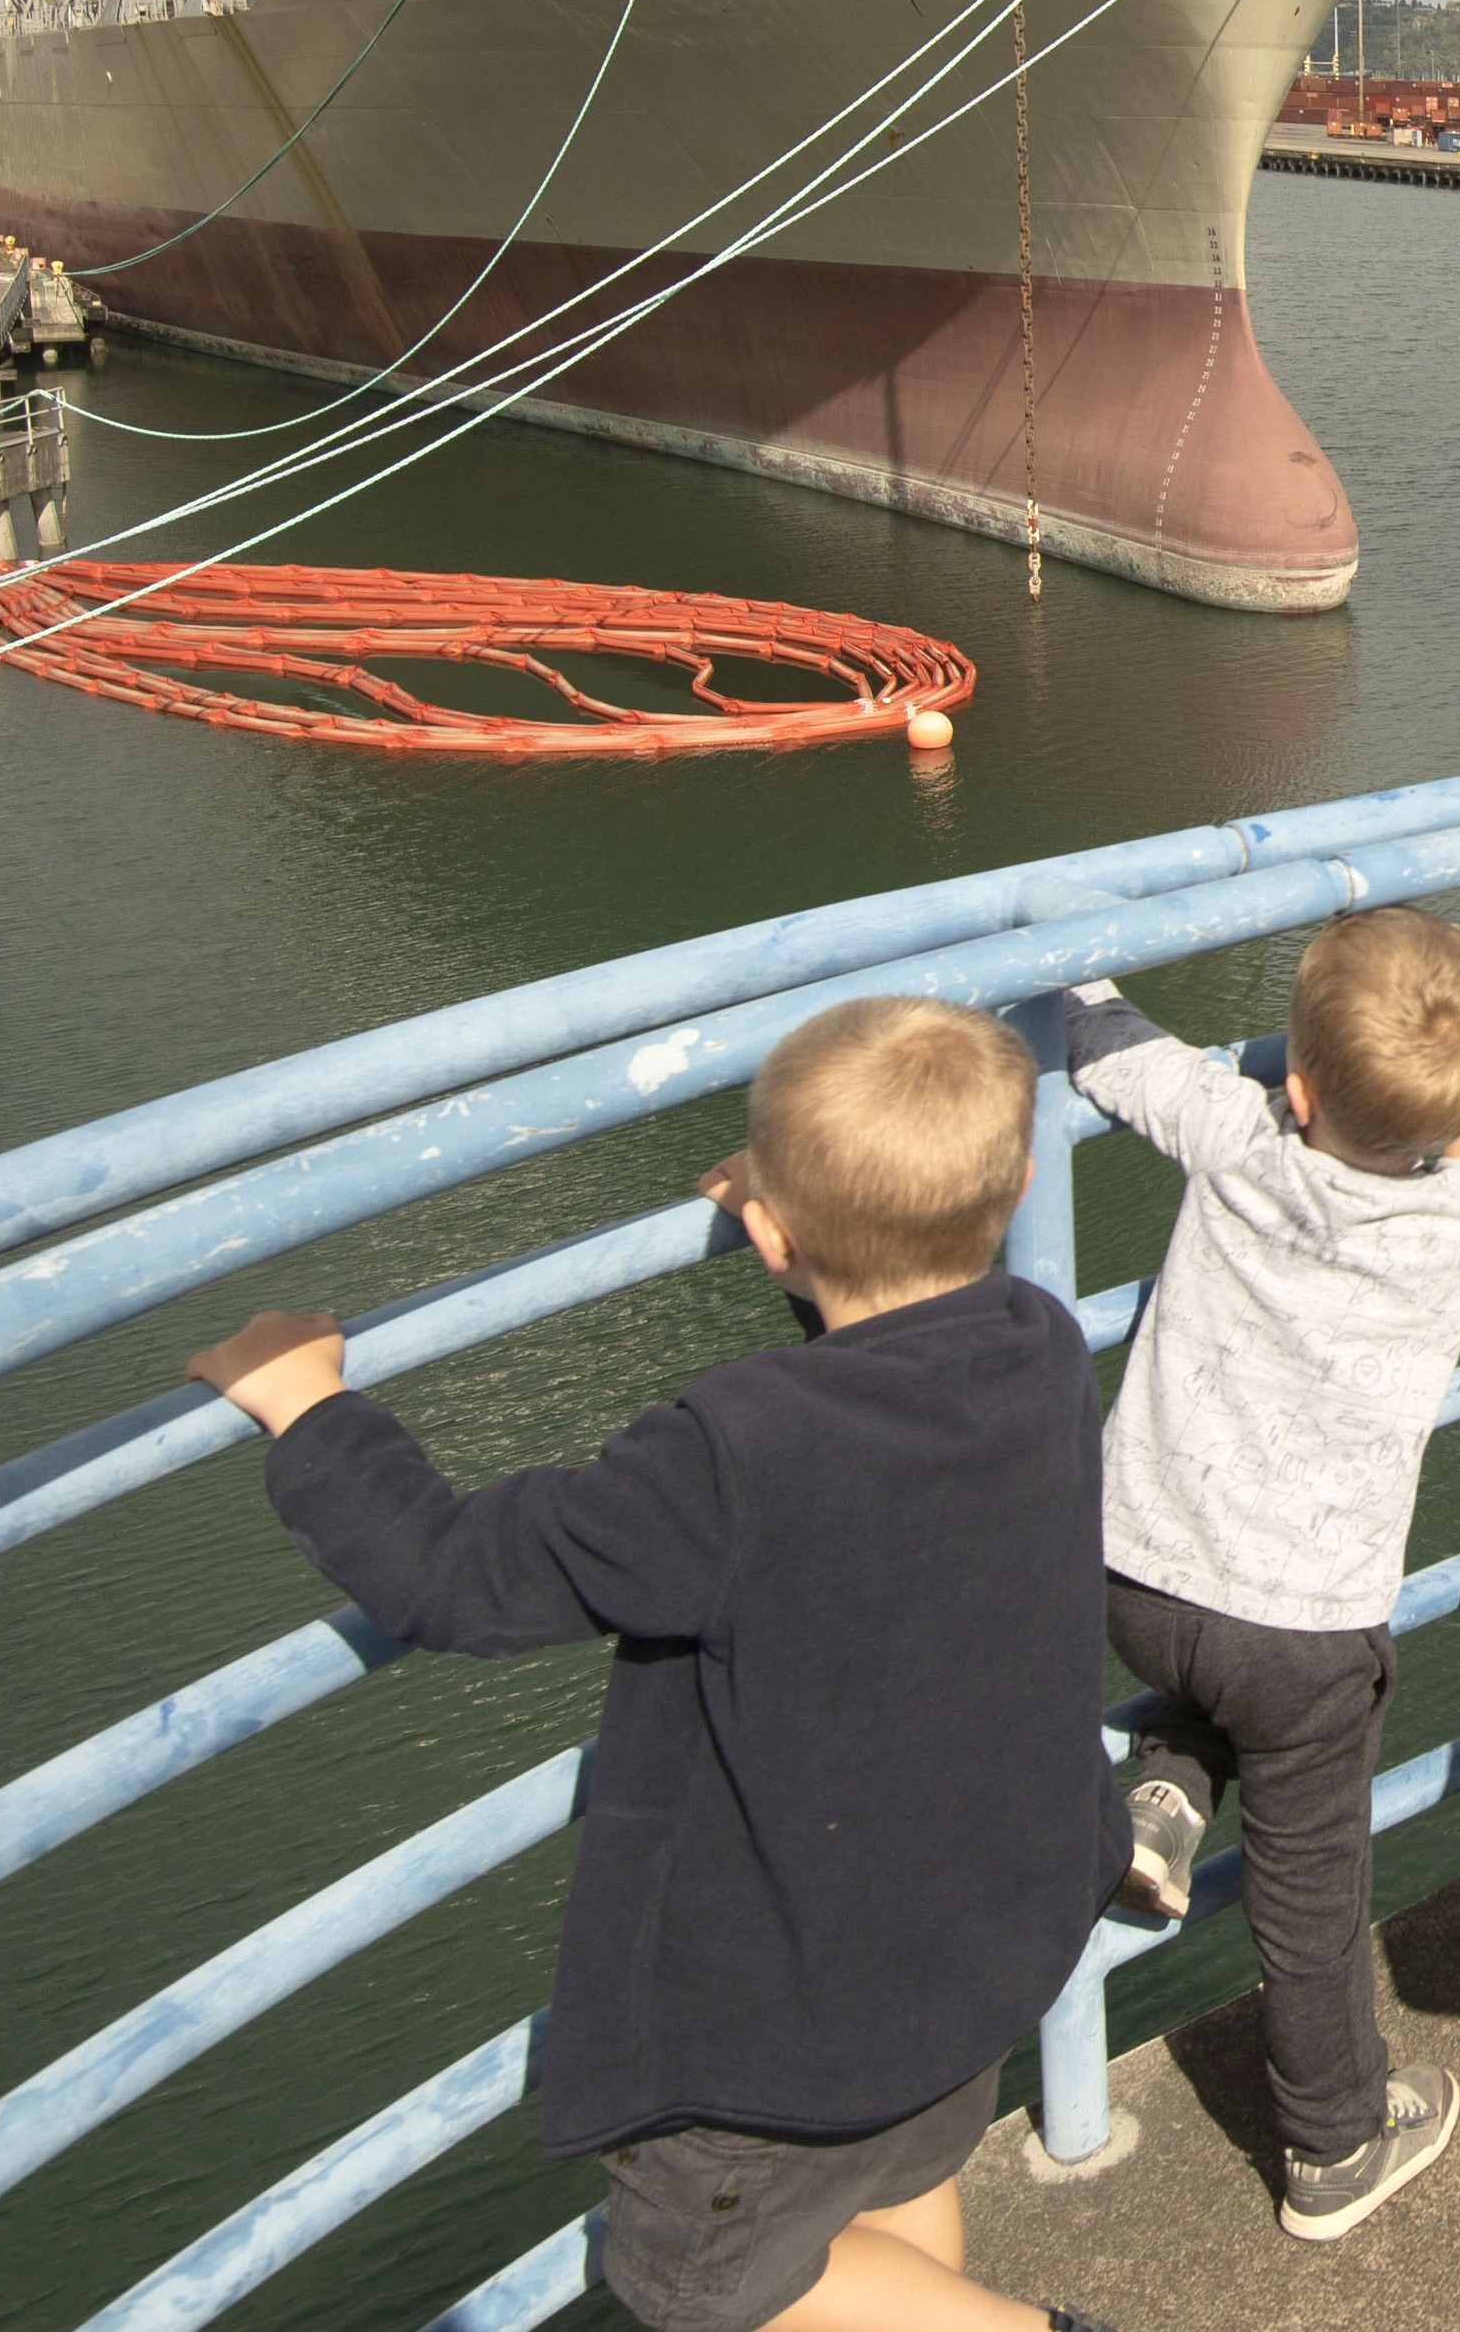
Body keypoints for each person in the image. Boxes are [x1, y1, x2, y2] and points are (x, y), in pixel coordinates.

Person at [185, 997, 1126, 2332]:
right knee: (896, 2184)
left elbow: (456, 1578)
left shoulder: (727, 1453)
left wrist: (308, 1406)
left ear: (763, 1229)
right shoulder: (1036, 1344)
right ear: (1020, 1186)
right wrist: (817, 1243)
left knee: (717, 2290)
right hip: (974, 1942)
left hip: (783, 2026)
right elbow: (889, 1405)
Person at [1066, 912, 1460, 2242]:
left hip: (1137, 1578)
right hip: (1305, 1635)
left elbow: (1105, 1046)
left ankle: (1162, 1790)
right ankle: (1332, 2147)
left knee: (1206, 1681)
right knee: (1311, 1891)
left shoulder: (1235, 1131)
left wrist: (1066, 957)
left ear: (1300, 1085)